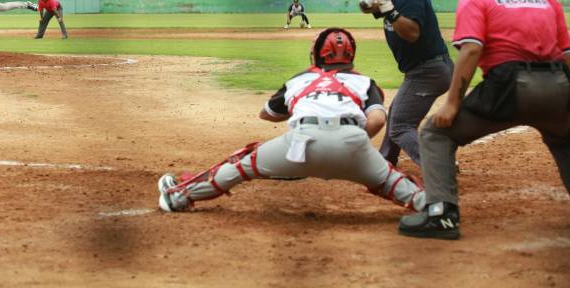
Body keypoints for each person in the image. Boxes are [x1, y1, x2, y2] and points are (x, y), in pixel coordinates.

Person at [398, 0, 570, 240]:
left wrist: (452, 102)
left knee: (434, 133)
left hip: (508, 86)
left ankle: (442, 215)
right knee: (565, 140)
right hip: (557, 84)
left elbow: (471, 50)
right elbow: (566, 54)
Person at [157, 28, 426, 214]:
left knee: (242, 164)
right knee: (394, 183)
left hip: (300, 145)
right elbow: (378, 119)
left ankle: (180, 196)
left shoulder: (299, 79)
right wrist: (349, 146)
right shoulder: (365, 82)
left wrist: (299, 105)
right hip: (353, 144)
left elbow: (267, 114)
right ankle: (435, 209)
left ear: (317, 54)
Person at [359, 0, 453, 168]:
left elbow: (411, 33)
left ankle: (437, 166)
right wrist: (369, 2)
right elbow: (368, 9)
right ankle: (386, 158)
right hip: (425, 69)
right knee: (397, 114)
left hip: (428, 71)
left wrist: (389, 10)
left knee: (400, 125)